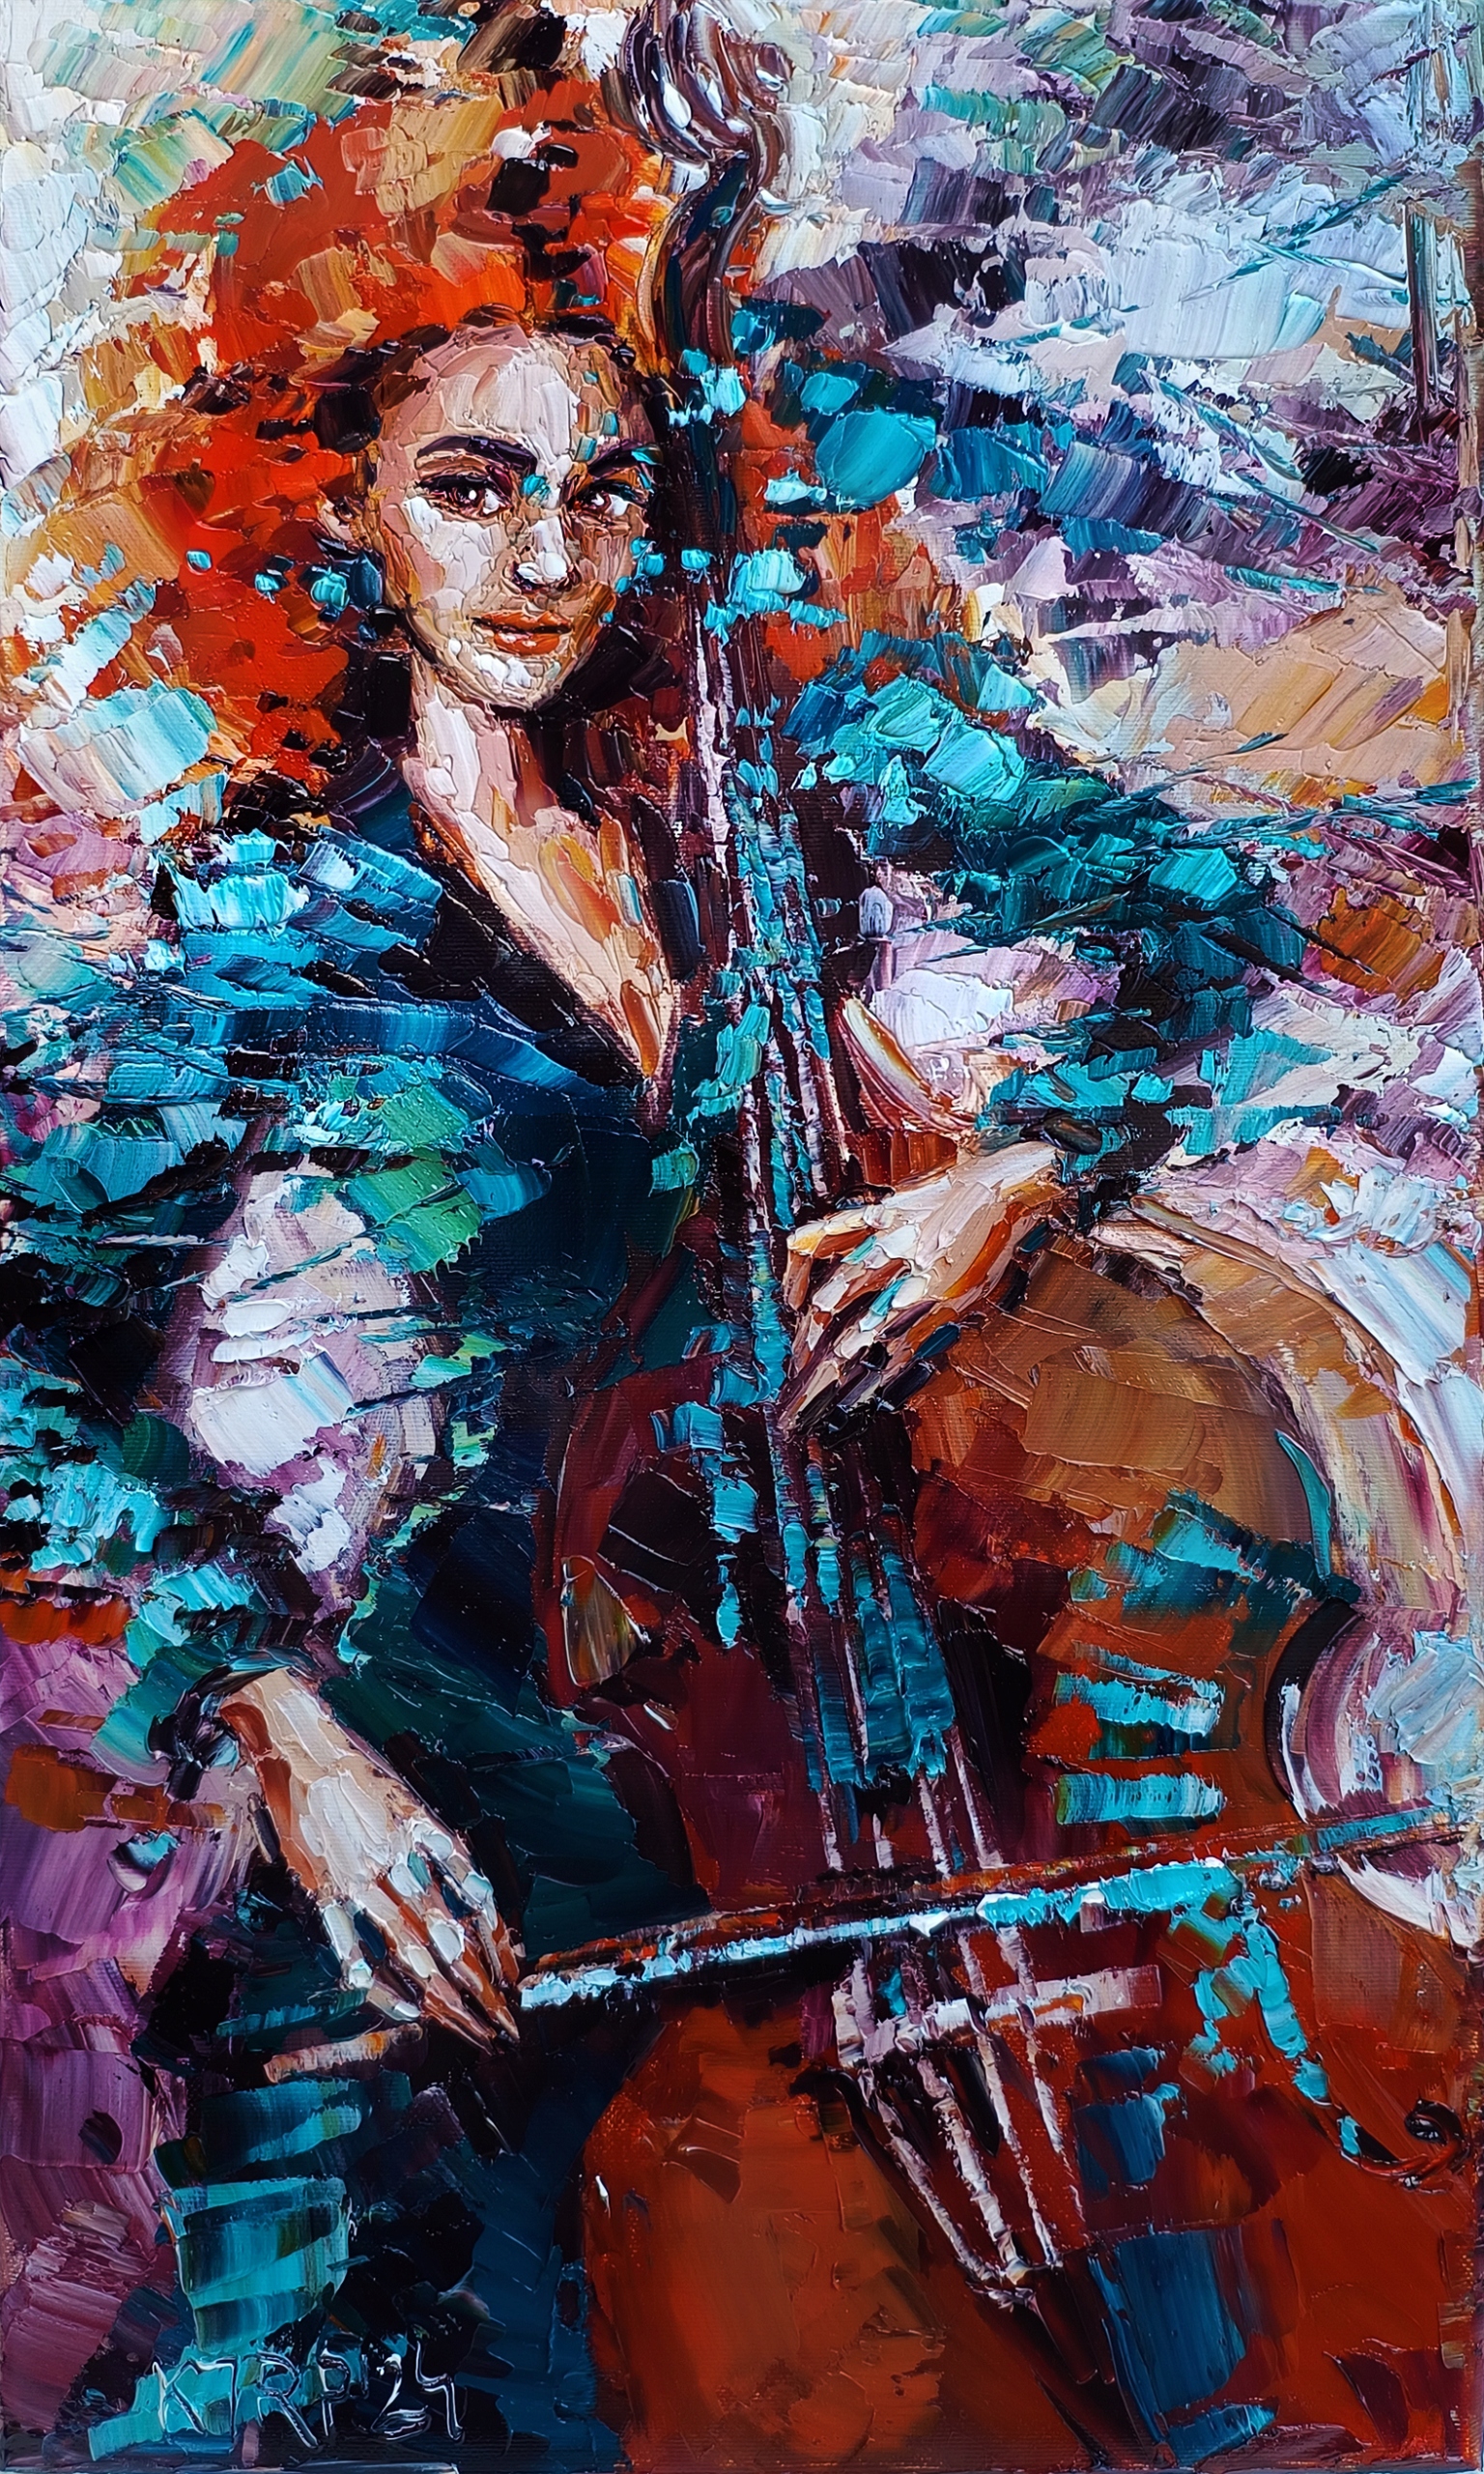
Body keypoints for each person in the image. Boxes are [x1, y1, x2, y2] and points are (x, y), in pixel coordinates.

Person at [0, 5, 1476, 2462]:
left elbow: (1203, 910)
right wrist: (286, 1727)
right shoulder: (280, 925)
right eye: (472, 487)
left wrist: (1017, 1171)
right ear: (338, 505)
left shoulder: (782, 764)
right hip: (518, 1722)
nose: (547, 558)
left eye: (598, 491)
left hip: (900, 1669)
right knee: (361, 2332)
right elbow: (22, 1353)